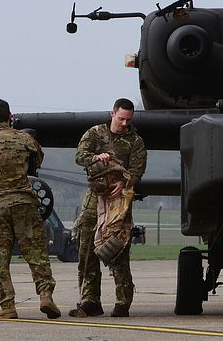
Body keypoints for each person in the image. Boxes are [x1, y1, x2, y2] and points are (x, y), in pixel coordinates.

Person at [0, 99, 61, 320]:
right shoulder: (25, 139)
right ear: (10, 117)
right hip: (24, 202)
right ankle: (45, 295)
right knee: (36, 253)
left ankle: (7, 306)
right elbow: (36, 162)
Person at [69, 98, 147, 318]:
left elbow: (137, 169)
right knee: (86, 251)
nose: (124, 123)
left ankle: (123, 301)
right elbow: (79, 157)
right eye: (121, 118)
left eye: (128, 120)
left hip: (118, 203)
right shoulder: (94, 133)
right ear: (113, 114)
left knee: (117, 250)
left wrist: (124, 182)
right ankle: (89, 300)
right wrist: (96, 157)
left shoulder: (135, 142)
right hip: (94, 200)